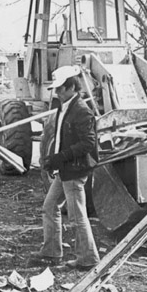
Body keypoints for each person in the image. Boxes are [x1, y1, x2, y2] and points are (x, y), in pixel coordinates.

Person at [31, 65, 100, 270]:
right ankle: (51, 252)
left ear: (71, 87)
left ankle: (88, 258)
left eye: (60, 89)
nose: (57, 93)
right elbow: (61, 137)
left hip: (75, 170)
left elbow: (88, 143)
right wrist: (55, 160)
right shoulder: (65, 106)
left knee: (78, 216)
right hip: (66, 168)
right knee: (50, 207)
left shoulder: (81, 110)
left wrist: (60, 158)